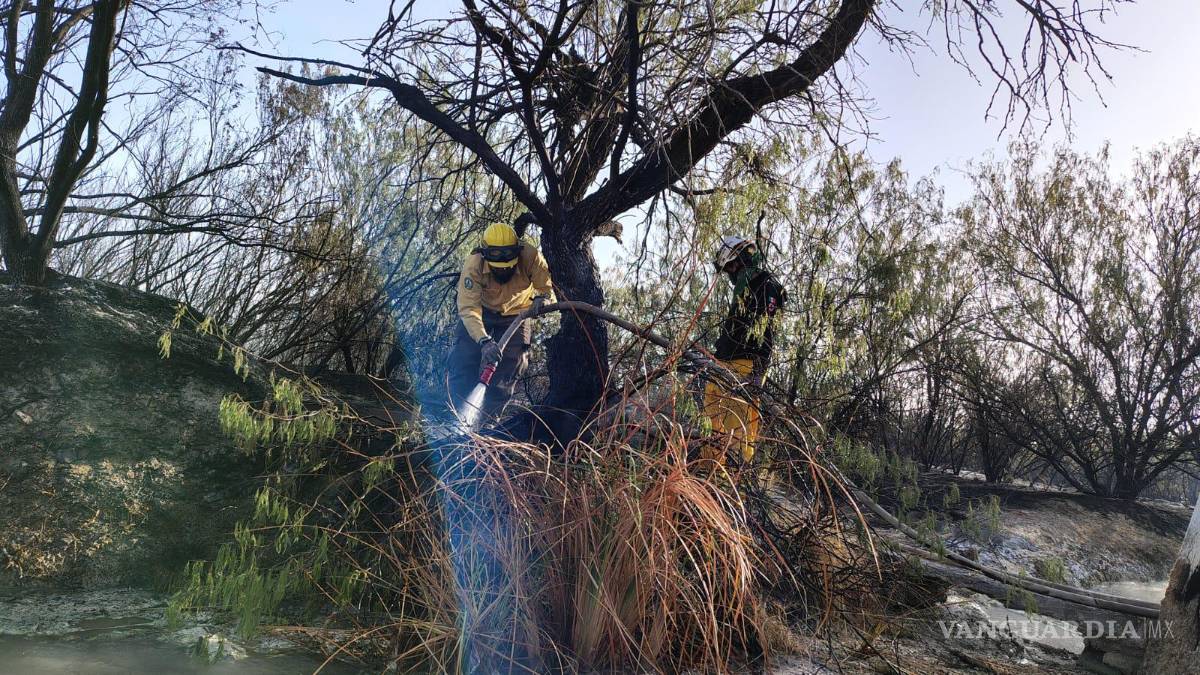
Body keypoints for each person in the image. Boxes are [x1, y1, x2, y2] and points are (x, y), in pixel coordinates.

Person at [448, 222, 555, 420]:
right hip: (482, 311)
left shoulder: (531, 256)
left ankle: (489, 423)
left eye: (509, 267)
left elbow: (546, 287)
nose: (504, 271)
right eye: (498, 269)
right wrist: (483, 341)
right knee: (464, 359)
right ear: (485, 254)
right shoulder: (474, 265)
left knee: (511, 365)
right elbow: (468, 308)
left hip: (518, 313)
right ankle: (456, 417)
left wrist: (543, 298)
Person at [702, 235, 786, 463]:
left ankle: (729, 480)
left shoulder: (767, 284)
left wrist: (758, 371)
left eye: (730, 266)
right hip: (725, 360)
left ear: (740, 259)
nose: (729, 272)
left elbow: (766, 330)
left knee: (736, 429)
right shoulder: (745, 285)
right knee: (713, 417)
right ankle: (708, 470)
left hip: (745, 364)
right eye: (726, 268)